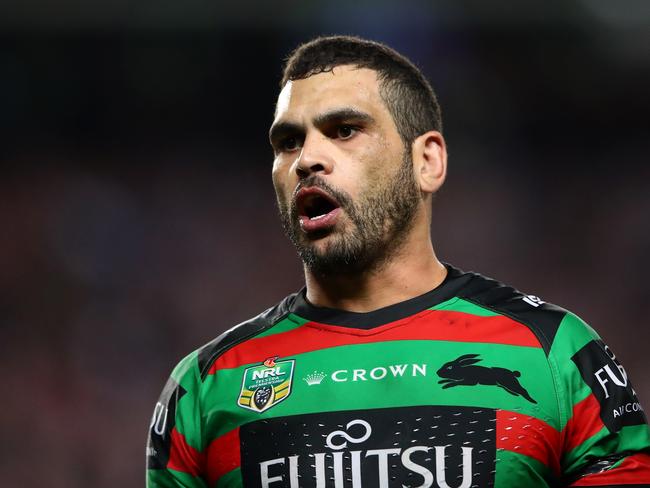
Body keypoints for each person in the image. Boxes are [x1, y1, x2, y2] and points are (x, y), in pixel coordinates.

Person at [146, 35, 650, 487]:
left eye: (344, 130)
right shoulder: (205, 386)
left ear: (426, 162)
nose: (306, 159)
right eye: (288, 141)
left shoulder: (557, 355)